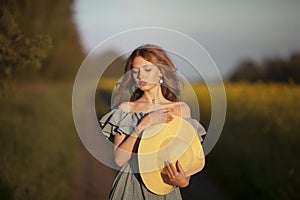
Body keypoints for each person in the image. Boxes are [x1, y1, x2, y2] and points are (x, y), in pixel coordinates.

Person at [99, 44, 206, 200]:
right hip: (130, 186)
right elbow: (119, 160)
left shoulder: (180, 110)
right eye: (135, 72)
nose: (141, 76)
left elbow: (185, 158)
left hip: (164, 188)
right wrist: (143, 124)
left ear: (161, 71)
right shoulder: (126, 109)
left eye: (147, 70)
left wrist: (184, 182)